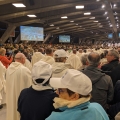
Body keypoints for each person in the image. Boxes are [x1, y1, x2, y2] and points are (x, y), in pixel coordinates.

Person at [6, 53, 32, 120]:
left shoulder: (9, 68)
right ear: (23, 59)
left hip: (11, 96)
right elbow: (30, 85)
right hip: (21, 97)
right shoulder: (24, 70)